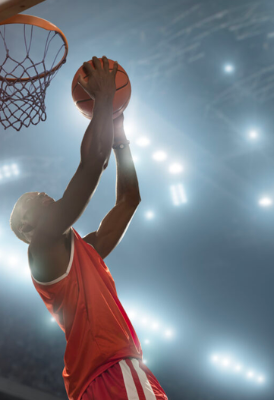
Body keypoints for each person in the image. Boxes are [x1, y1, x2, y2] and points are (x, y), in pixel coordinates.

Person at [9, 57, 167, 400]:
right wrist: (104, 100)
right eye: (34, 198)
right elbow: (92, 163)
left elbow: (129, 201)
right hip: (111, 371)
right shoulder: (41, 246)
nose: (45, 194)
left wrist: (121, 141)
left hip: (95, 382)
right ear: (26, 224)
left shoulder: (83, 252)